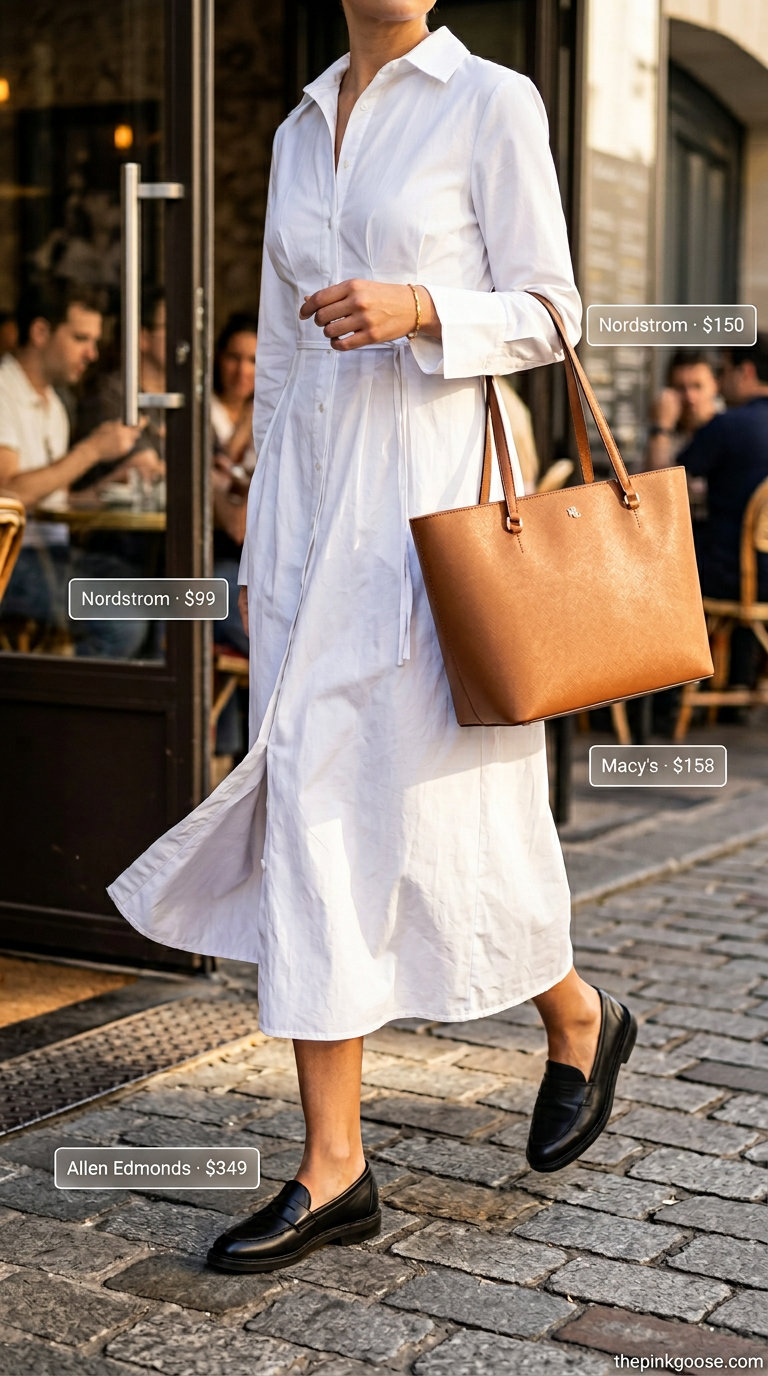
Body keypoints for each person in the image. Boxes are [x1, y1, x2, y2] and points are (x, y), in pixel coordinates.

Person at [107, 4, 637, 1272]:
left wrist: (422, 306)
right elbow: (282, 359)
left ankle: (577, 1011)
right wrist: (255, 552)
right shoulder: (299, 126)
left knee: (453, 811)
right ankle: (334, 1161)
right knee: (311, 808)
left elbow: (556, 314)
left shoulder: (492, 99)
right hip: (308, 520)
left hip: (429, 519)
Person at [0, 280, 154, 656]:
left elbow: (57, 499)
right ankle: (56, 695)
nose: (92, 354)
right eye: (81, 338)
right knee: (124, 618)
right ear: (41, 332)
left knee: (166, 594)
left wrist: (112, 483)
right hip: (11, 561)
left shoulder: (55, 403)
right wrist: (92, 450)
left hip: (50, 553)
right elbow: (9, 496)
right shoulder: (4, 390)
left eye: (95, 341)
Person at [678, 335, 768, 694]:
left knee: (670, 565)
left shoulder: (729, 426)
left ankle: (662, 697)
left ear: (745, 372)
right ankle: (738, 683)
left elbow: (664, 482)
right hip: (758, 571)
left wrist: (661, 427)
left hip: (736, 578)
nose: (721, 381)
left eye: (724, 372)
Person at [210, 312, 259, 757]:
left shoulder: (271, 420)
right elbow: (236, 525)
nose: (242, 370)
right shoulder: (199, 415)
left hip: (253, 569)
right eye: (233, 357)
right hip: (211, 566)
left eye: (253, 361)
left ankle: (227, 757)